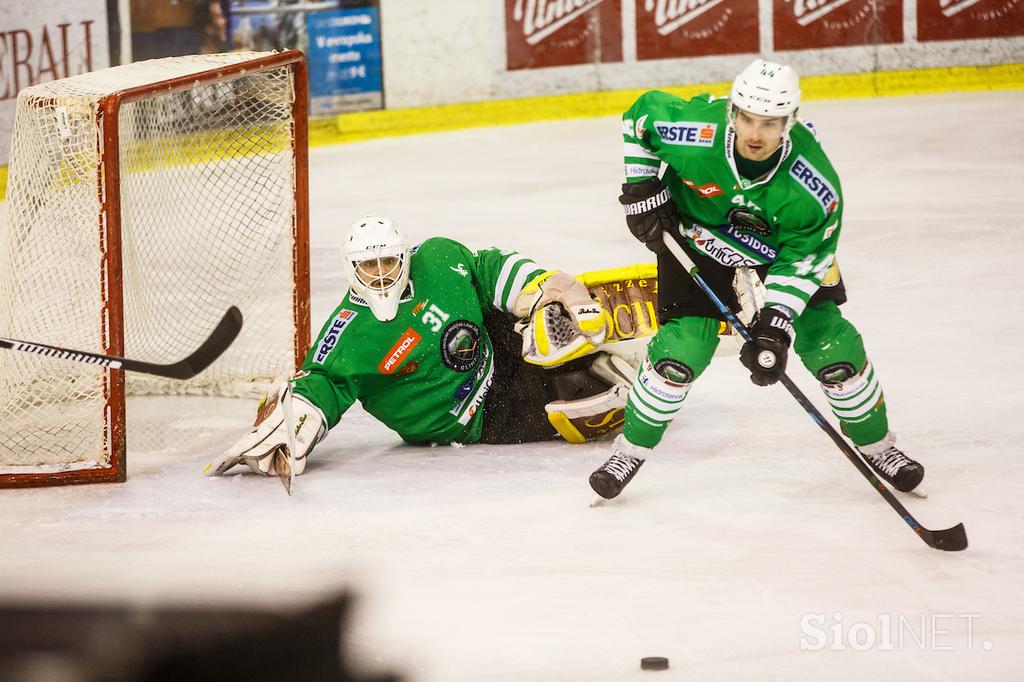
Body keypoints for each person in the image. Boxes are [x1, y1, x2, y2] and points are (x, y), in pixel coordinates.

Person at [588, 58, 925, 499]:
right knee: (681, 352)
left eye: (769, 123)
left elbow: (804, 258)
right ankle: (630, 451)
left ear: (790, 121)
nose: (754, 134)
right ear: (732, 112)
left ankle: (879, 447)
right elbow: (640, 116)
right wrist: (641, 190)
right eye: (746, 118)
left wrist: (775, 324)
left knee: (830, 344)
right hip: (697, 233)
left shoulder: (813, 186)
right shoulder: (694, 132)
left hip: (780, 248)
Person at [207, 215, 635, 478]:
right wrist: (296, 420)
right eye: (368, 265)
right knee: (584, 393)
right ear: (351, 267)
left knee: (547, 325)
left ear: (404, 256)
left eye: (387, 261)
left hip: (492, 350)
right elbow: (323, 382)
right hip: (474, 416)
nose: (379, 273)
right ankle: (612, 380)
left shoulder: (437, 258)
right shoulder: (348, 333)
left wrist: (540, 286)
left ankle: (579, 332)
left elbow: (486, 268)